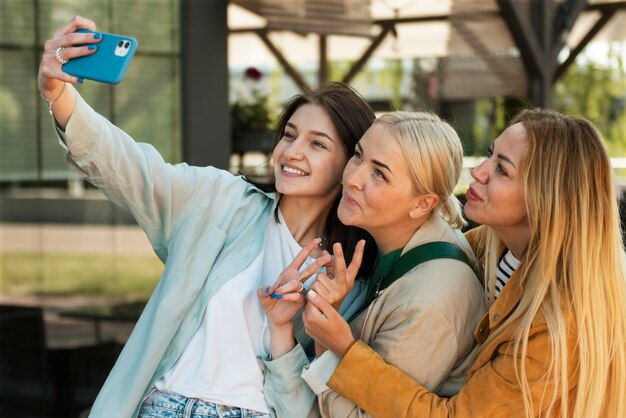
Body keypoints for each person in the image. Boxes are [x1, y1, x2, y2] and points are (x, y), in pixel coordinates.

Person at [38, 16, 378, 418]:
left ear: (349, 164)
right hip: (162, 406)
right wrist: (58, 94)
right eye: (289, 134)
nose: (292, 152)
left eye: (318, 144)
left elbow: (310, 406)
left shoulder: (348, 278)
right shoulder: (221, 200)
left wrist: (285, 328)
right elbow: (131, 169)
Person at [304, 109, 626, 418]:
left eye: (502, 169)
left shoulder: (558, 323)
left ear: (543, 200)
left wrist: (343, 348)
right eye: (490, 154)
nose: (478, 171)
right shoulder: (493, 246)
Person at [258, 111, 487, 417]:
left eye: (379, 174)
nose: (351, 178)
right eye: (358, 155)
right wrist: (285, 325)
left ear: (423, 204)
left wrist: (328, 342)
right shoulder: (387, 246)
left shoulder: (429, 302)